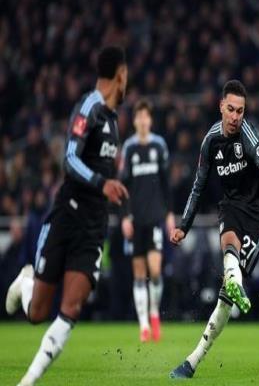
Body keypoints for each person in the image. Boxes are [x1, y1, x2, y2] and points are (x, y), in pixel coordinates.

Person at [5, 46, 129, 386]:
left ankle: (27, 382)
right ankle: (27, 282)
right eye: (126, 75)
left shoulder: (114, 121)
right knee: (37, 313)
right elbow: (70, 159)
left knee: (71, 308)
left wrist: (114, 190)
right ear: (120, 74)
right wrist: (102, 183)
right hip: (67, 216)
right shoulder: (90, 107)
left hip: (93, 227)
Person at [169, 79, 259, 379]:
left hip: (256, 215)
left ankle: (193, 359)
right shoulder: (210, 141)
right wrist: (184, 225)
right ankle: (233, 281)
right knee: (228, 242)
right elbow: (198, 186)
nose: (236, 116)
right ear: (221, 107)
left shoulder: (250, 136)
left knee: (224, 303)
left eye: (240, 111)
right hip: (230, 207)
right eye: (231, 109)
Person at [120, 98, 175, 342]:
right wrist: (124, 217)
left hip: (154, 218)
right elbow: (122, 187)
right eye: (139, 116)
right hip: (136, 219)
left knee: (155, 270)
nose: (143, 121)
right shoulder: (129, 148)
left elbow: (166, 184)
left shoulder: (159, 146)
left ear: (150, 120)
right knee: (139, 273)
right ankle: (143, 325)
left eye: (146, 116)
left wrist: (169, 213)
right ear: (134, 121)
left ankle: (154, 314)